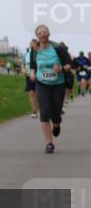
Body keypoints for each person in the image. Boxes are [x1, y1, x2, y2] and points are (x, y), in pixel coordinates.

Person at [28, 25, 74, 154]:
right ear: (37, 35)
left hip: (58, 84)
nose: (42, 34)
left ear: (49, 34)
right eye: (39, 33)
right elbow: (33, 65)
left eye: (44, 32)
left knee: (55, 111)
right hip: (42, 84)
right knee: (44, 111)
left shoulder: (58, 48)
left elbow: (69, 65)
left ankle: (57, 123)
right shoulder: (35, 48)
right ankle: (49, 143)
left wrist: (61, 69)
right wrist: (32, 73)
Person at [22, 39, 39, 117]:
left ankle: (44, 109)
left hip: (40, 76)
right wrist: (23, 69)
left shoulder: (40, 53)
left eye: (34, 44)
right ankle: (34, 111)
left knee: (40, 93)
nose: (32, 46)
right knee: (32, 93)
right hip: (30, 76)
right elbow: (23, 63)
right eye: (31, 45)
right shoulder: (26, 54)